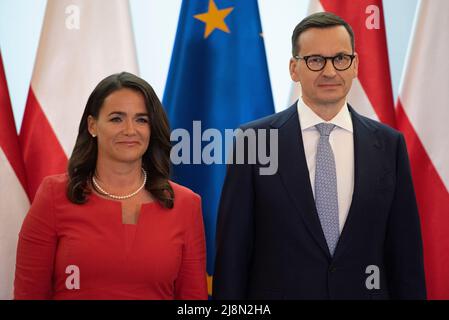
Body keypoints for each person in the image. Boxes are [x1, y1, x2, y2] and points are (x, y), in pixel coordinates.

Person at [213, 12, 426, 299]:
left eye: (340, 58)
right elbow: (233, 254)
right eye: (315, 60)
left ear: (355, 65)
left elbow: (405, 256)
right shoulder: (255, 141)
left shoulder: (389, 145)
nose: (329, 71)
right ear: (294, 68)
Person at [14, 72, 208, 300]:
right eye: (117, 118)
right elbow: (29, 294)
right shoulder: (55, 195)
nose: (130, 130)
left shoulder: (185, 204)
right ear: (93, 125)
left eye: (141, 119)